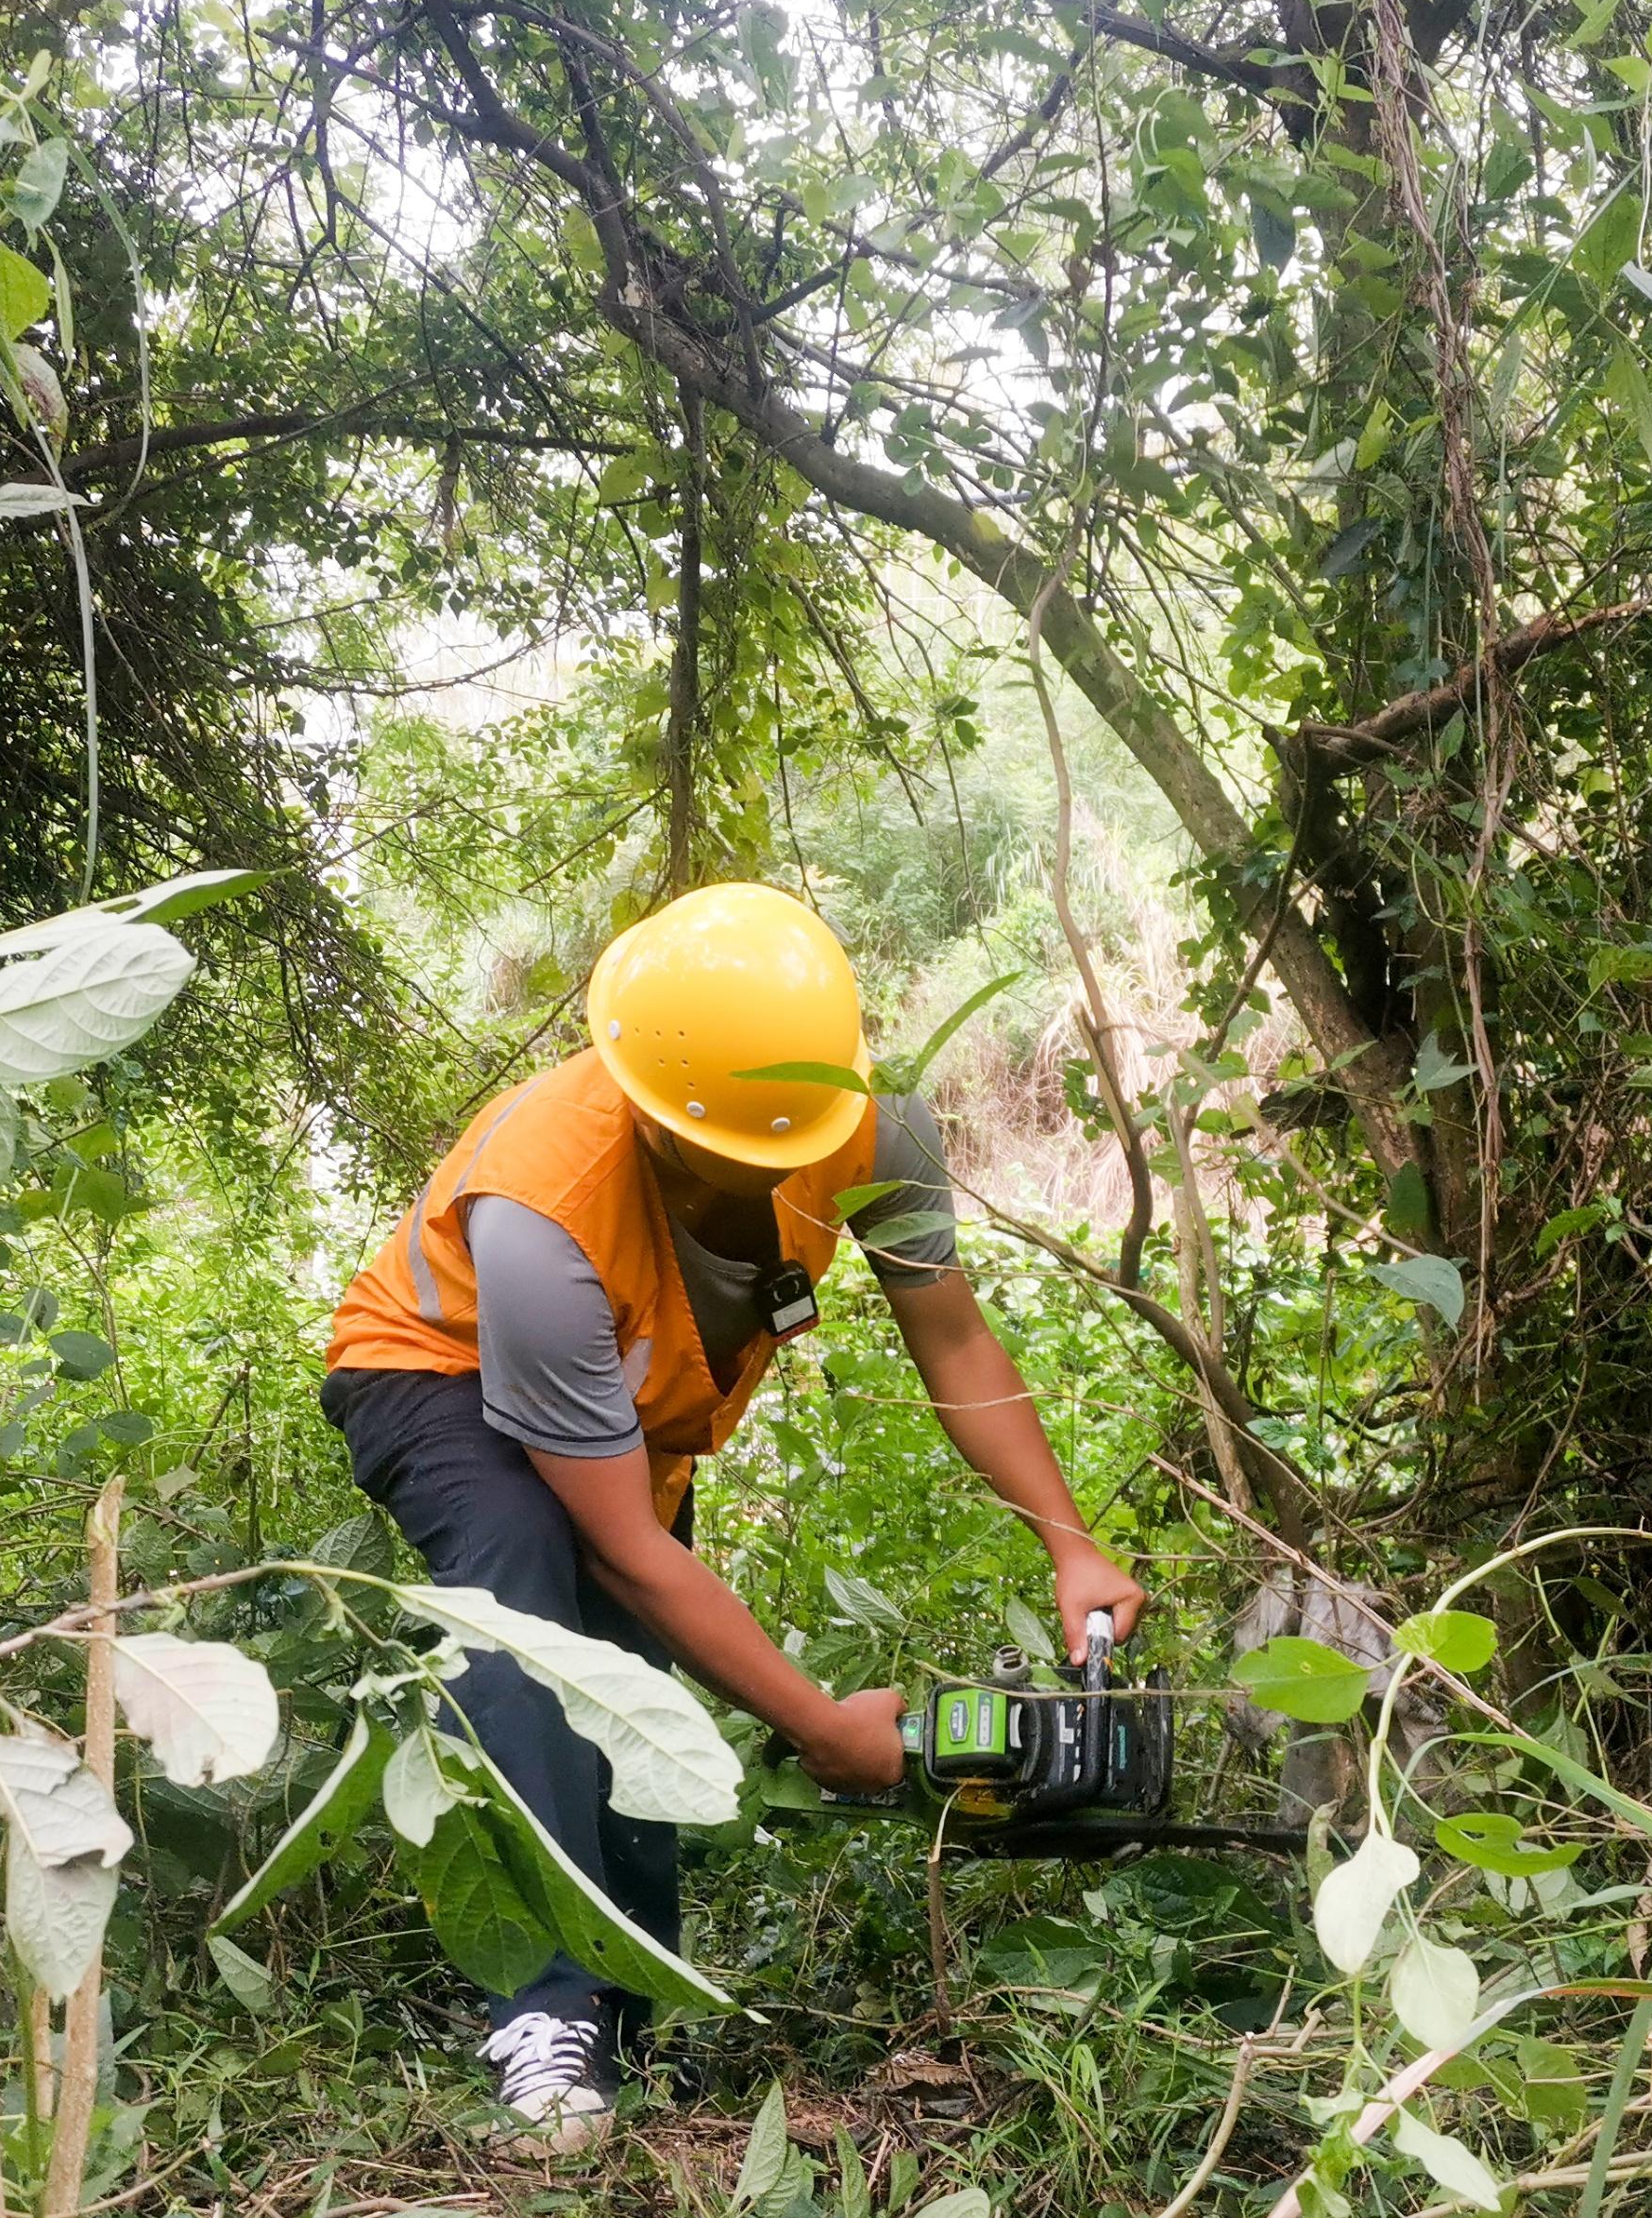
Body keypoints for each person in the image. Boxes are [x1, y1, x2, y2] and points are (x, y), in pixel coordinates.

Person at [318, 882, 1147, 2153]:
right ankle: (541, 2020)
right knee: (525, 1592)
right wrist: (821, 1727)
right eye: (734, 1149)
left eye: (793, 1138)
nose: (772, 1168)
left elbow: (954, 1336)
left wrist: (1067, 1535)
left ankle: (630, 2004)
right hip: (438, 1373)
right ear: (648, 1105)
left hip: (629, 1408)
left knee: (634, 1685)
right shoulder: (542, 1218)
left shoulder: (877, 1132)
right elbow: (627, 1550)